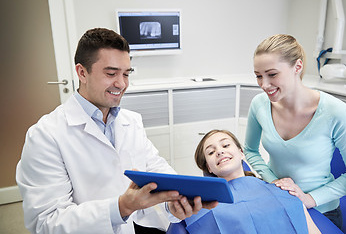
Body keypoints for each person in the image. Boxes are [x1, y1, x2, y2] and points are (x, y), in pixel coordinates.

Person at [15, 28, 216, 234]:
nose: (121, 84)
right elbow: (46, 222)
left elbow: (157, 169)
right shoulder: (45, 136)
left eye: (126, 74)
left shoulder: (131, 121)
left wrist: (175, 201)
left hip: (145, 226)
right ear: (82, 72)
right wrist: (121, 207)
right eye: (111, 73)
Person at [244, 34, 346, 229]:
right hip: (278, 201)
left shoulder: (336, 112)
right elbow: (250, 151)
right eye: (259, 76)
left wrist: (309, 199)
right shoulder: (259, 104)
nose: (264, 85)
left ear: (298, 67)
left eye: (272, 74)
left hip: (320, 209)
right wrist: (275, 181)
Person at [183, 129, 321, 234]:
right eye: (211, 152)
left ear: (241, 153)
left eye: (225, 145)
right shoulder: (204, 207)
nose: (219, 152)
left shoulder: (281, 189)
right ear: (209, 168)